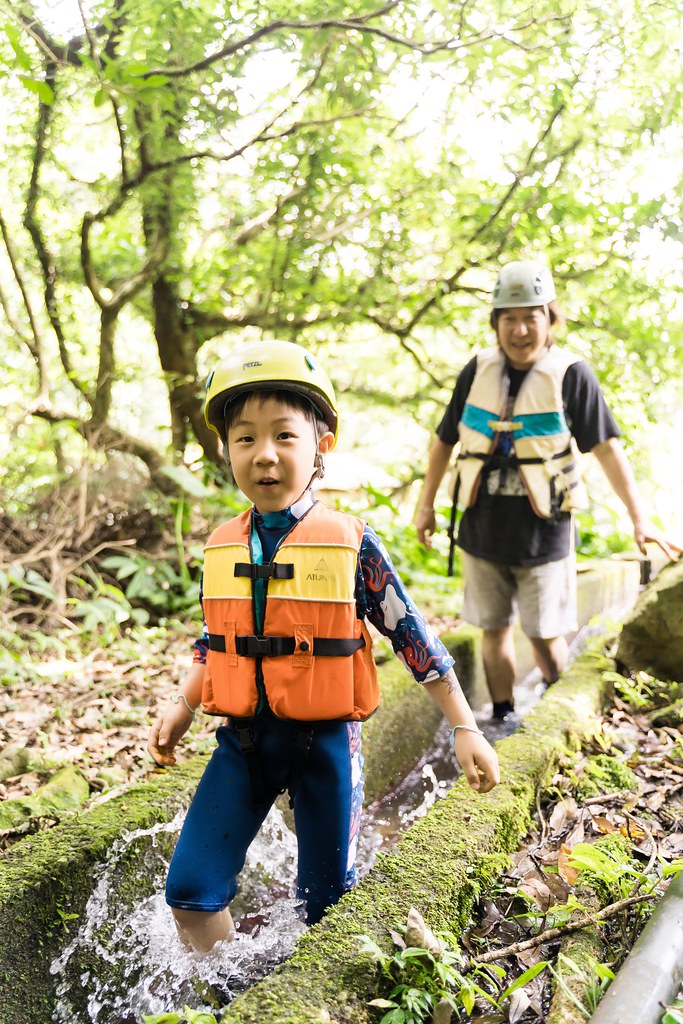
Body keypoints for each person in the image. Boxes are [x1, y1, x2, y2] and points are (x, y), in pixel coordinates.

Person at [148, 339, 500, 953]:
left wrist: (466, 728)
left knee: (324, 909)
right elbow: (217, 641)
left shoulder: (350, 543)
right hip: (245, 741)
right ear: (226, 449)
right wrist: (183, 705)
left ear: (321, 448)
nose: (265, 455)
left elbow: (413, 638)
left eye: (285, 436)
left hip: (327, 745)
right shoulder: (223, 545)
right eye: (245, 438)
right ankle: (230, 992)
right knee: (191, 890)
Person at [417, 260, 681, 726]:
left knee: (543, 635)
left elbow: (607, 450)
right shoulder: (476, 370)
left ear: (549, 318)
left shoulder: (572, 374)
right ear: (496, 322)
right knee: (493, 632)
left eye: (530, 317)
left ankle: (562, 720)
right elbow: (444, 441)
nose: (520, 330)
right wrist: (426, 506)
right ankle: (501, 719)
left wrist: (639, 518)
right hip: (482, 530)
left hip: (544, 533)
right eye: (509, 318)